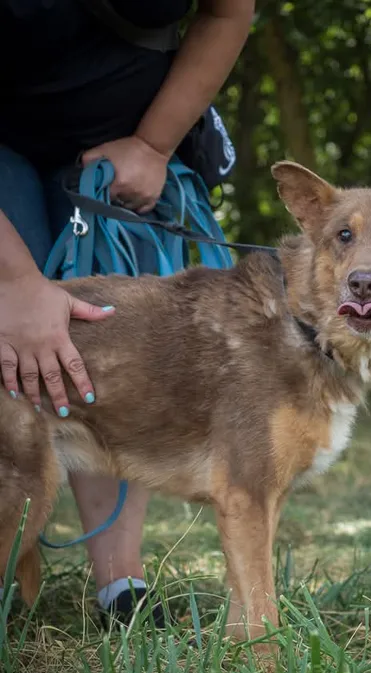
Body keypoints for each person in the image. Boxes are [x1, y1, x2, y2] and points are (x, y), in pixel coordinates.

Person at [0, 0, 255, 623]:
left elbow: (228, 10)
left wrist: (152, 143)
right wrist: (15, 280)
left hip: (123, 133)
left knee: (120, 344)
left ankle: (121, 586)